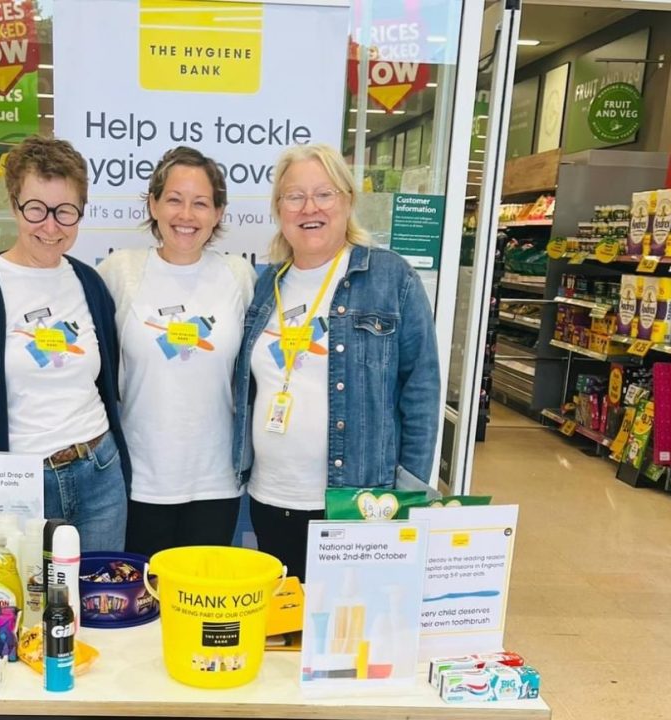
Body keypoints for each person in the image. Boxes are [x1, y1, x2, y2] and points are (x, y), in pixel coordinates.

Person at [231, 143, 440, 581]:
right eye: (295, 196)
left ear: (347, 200)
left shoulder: (390, 278)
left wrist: (408, 493)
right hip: (271, 498)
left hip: (358, 505)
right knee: (287, 619)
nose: (310, 208)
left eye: (324, 194)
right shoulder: (268, 285)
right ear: (279, 209)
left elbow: (420, 392)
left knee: (350, 620)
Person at [0, 136, 130, 552]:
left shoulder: (89, 283)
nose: (51, 226)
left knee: (95, 591)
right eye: (36, 209)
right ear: (14, 205)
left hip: (100, 473)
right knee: (19, 592)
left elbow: (105, 379)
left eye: (65, 211)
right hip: (18, 486)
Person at [98, 146, 256, 557]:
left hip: (216, 483)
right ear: (153, 204)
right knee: (142, 593)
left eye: (200, 203)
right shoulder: (120, 272)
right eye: (174, 199)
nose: (186, 215)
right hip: (138, 482)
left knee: (201, 594)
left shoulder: (237, 275)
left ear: (218, 213)